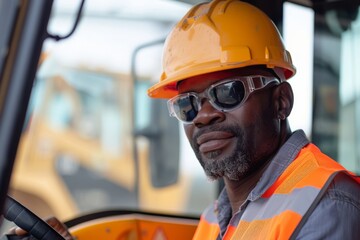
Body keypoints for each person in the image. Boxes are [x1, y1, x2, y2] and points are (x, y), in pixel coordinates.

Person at [6, 0, 360, 239]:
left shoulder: (327, 204)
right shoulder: (216, 216)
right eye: (188, 105)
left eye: (228, 92)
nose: (204, 115)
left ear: (280, 101)